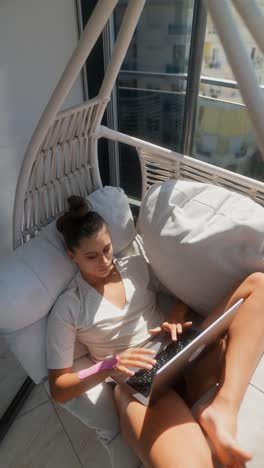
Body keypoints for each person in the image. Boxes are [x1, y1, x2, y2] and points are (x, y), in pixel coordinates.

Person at [46, 195, 264, 468]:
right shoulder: (69, 306)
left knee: (258, 285)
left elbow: (179, 291)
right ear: (72, 256)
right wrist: (109, 365)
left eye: (107, 249)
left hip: (177, 350)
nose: (104, 261)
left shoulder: (134, 265)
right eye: (91, 256)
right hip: (138, 384)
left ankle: (223, 408)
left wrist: (175, 315)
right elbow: (59, 388)